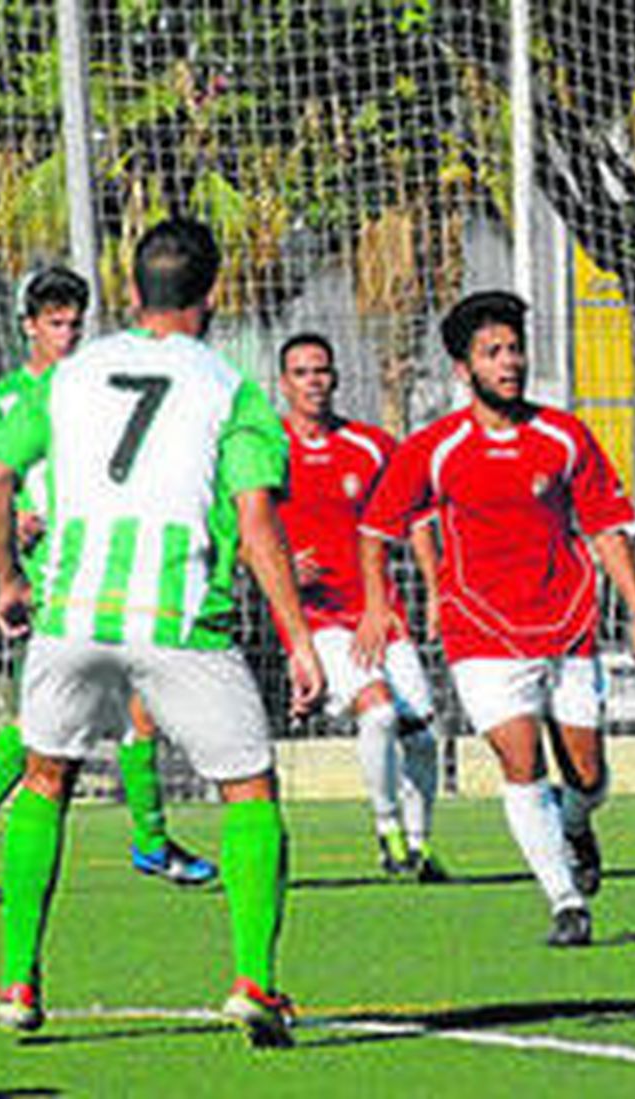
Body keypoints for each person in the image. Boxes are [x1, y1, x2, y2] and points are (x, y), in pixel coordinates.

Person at [0, 218, 324, 1046]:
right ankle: (253, 980)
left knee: (46, 779)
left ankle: (18, 980)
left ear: (132, 294)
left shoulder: (68, 375)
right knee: (248, 789)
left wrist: (9, 577)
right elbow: (255, 517)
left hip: (72, 612)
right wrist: (298, 634)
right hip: (180, 617)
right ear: (212, 295)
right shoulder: (232, 388)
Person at [360, 290, 635, 947]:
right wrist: (379, 603)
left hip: (567, 624)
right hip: (481, 635)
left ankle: (577, 825)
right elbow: (376, 525)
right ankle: (565, 902)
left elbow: (607, 526)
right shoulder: (433, 448)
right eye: (492, 352)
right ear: (464, 371)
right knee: (521, 761)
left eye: (514, 349)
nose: (510, 362)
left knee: (587, 778)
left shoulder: (564, 435)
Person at [0, 266, 215, 897]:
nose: (67, 332)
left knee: (91, 711)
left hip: (103, 560)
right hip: (51, 573)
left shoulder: (92, 388)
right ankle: (149, 841)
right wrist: (4, 512)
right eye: (54, 322)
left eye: (75, 321)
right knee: (81, 715)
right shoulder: (6, 400)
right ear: (29, 326)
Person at [274, 331, 446, 879]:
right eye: (301, 373)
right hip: (315, 619)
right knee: (377, 711)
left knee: (422, 730)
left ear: (336, 378)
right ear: (284, 384)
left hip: (378, 612)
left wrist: (435, 590)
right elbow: (242, 526)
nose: (313, 382)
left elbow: (416, 516)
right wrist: (281, 566)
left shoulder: (371, 446)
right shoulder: (268, 450)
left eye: (321, 370)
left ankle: (419, 845)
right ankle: (387, 829)